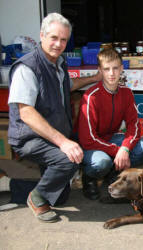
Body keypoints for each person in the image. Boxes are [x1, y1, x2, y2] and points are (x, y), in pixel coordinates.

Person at [7, 13, 102, 222]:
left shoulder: (58, 62)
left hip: (49, 134)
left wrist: (95, 77)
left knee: (60, 197)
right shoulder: (27, 67)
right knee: (69, 159)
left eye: (64, 40)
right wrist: (64, 142)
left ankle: (13, 186)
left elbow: (67, 86)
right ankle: (37, 196)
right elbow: (26, 112)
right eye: (53, 38)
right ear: (42, 35)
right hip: (29, 136)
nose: (58, 44)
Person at [77, 48, 143, 202]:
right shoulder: (91, 96)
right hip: (90, 145)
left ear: (121, 68)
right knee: (102, 161)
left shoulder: (126, 93)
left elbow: (134, 126)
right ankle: (89, 177)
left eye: (115, 68)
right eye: (106, 69)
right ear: (100, 70)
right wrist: (119, 150)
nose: (111, 73)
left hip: (110, 138)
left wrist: (125, 148)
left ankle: (113, 173)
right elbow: (87, 139)